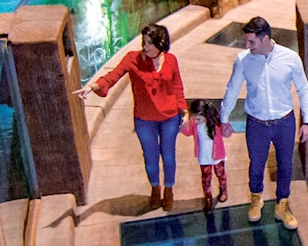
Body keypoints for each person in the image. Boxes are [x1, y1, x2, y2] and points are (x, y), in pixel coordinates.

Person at [75, 23, 187, 211]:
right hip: (144, 120)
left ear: (161, 43)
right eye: (144, 42)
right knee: (150, 156)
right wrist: (92, 87)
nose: (145, 47)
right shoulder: (132, 59)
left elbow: (177, 87)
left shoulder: (172, 60)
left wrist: (184, 110)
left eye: (150, 43)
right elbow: (112, 76)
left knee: (168, 155)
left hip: (169, 117)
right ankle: (154, 188)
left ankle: (169, 189)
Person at [219, 16, 308, 228]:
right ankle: (256, 197)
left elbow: (303, 89)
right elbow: (232, 90)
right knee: (256, 165)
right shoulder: (243, 60)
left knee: (285, 165)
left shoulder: (290, 58)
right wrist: (224, 119)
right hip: (256, 124)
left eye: (251, 41)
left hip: (285, 123)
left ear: (265, 39)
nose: (247, 45)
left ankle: (282, 203)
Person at [181, 99, 232, 213]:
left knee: (220, 173)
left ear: (205, 115)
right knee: (205, 177)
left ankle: (223, 190)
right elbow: (188, 132)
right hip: (203, 156)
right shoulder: (195, 123)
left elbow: (227, 133)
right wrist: (185, 124)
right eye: (194, 118)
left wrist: (226, 125)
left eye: (198, 118)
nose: (195, 120)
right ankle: (208, 197)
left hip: (217, 155)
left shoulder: (215, 123)